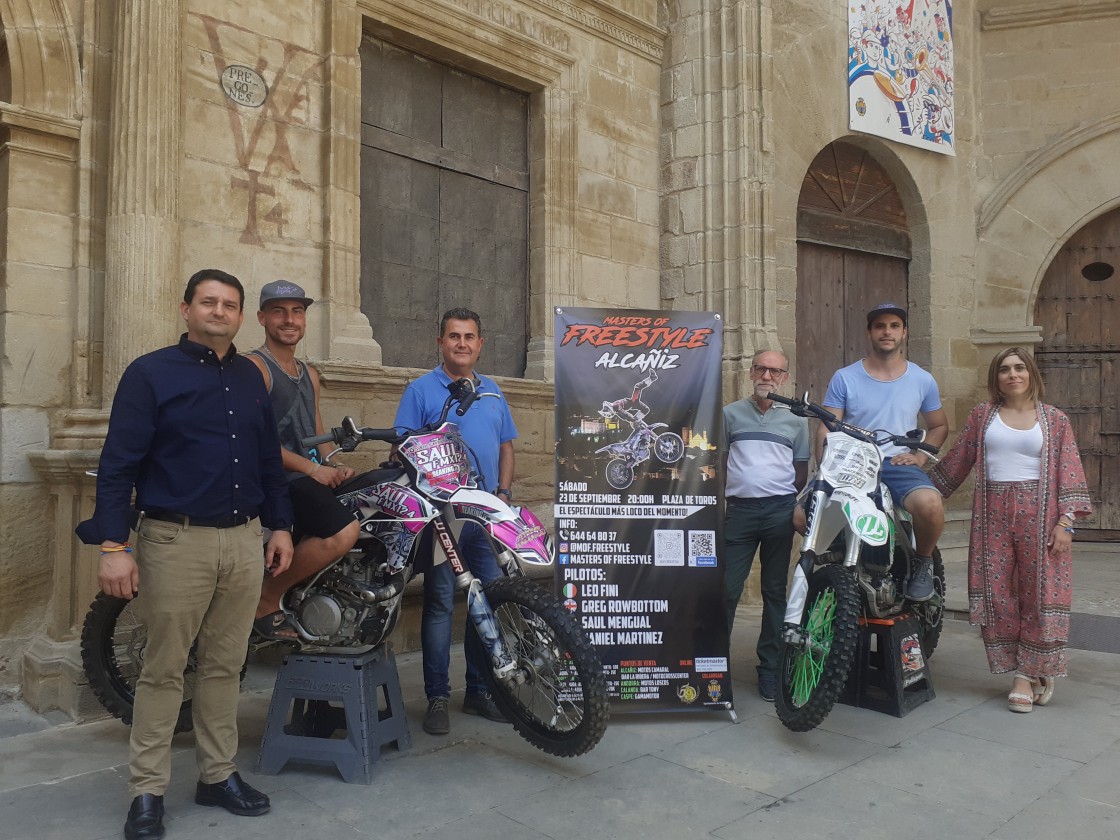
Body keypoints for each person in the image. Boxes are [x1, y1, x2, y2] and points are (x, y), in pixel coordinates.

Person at [76, 269, 295, 840]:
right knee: (164, 670)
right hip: (175, 542)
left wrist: (280, 527)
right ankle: (146, 791)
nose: (219, 312)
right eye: (208, 302)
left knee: (225, 665)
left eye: (229, 305)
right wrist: (113, 545)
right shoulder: (149, 374)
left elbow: (268, 460)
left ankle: (217, 775)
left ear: (241, 317)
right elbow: (118, 463)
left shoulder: (251, 378)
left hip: (244, 541)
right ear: (186, 309)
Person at [930, 348, 1091, 713]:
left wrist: (1067, 522)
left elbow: (1070, 470)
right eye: (1004, 369)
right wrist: (918, 482)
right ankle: (1030, 668)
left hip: (1043, 515)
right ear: (996, 378)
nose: (1012, 374)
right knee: (998, 592)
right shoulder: (983, 416)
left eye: (1019, 367)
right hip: (992, 516)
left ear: (1031, 373)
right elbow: (958, 461)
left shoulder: (1054, 420)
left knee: (1038, 593)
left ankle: (1025, 673)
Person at [393, 307, 517, 735]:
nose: (461, 343)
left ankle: (480, 692)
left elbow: (506, 447)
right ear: (440, 342)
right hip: (442, 519)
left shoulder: (495, 392)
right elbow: (401, 448)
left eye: (469, 337)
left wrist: (503, 493)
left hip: (483, 516)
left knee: (489, 601)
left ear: (480, 344)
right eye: (453, 336)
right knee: (441, 603)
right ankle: (438, 697)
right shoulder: (421, 390)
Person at [245, 280, 361, 637]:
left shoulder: (309, 373)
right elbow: (255, 442)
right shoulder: (255, 368)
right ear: (262, 317)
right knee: (344, 531)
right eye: (279, 311)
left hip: (305, 475)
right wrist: (313, 469)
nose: (289, 319)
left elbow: (315, 429)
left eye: (297, 311)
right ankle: (267, 596)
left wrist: (332, 464)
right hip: (274, 479)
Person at [819, 303, 949, 601]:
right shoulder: (845, 377)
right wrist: (825, 466)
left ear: (904, 332)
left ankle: (922, 562)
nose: (887, 331)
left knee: (930, 506)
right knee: (802, 517)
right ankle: (844, 558)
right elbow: (827, 426)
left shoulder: (922, 379)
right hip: (855, 464)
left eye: (893, 326)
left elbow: (939, 426)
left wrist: (919, 456)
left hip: (898, 463)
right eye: (880, 326)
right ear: (869, 333)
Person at [721, 350, 810, 701]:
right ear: (751, 372)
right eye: (761, 368)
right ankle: (714, 666)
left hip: (779, 513)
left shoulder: (796, 420)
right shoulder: (730, 414)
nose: (767, 376)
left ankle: (769, 669)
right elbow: (722, 462)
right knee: (727, 590)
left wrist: (787, 502)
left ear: (785, 377)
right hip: (739, 513)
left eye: (775, 371)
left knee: (774, 592)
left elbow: (800, 469)